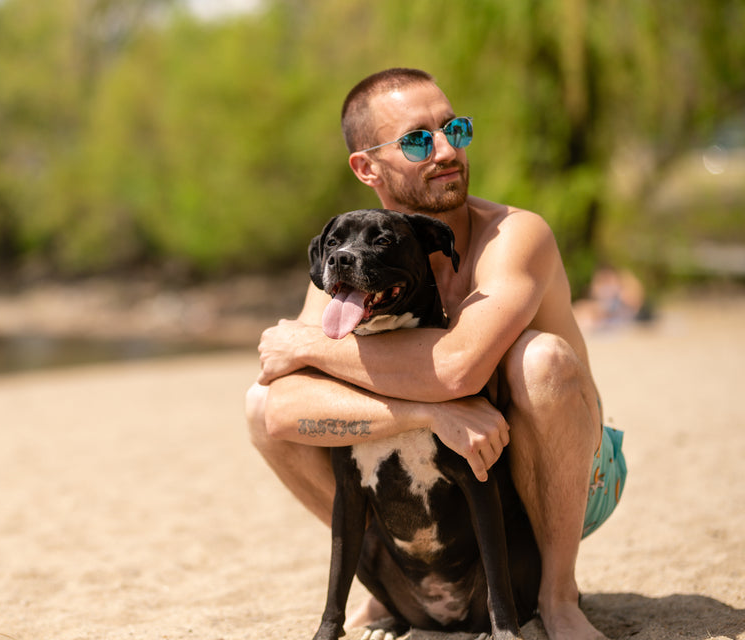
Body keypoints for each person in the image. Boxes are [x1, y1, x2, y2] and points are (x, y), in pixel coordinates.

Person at [245, 68, 626, 640]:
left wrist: (307, 344)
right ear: (366, 167)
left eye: (456, 129)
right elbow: (279, 411)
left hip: (570, 478)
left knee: (538, 361)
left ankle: (558, 596)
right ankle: (396, 580)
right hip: (449, 476)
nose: (448, 150)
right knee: (257, 407)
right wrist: (428, 414)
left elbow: (458, 369)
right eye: (419, 139)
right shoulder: (352, 261)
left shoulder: (513, 236)